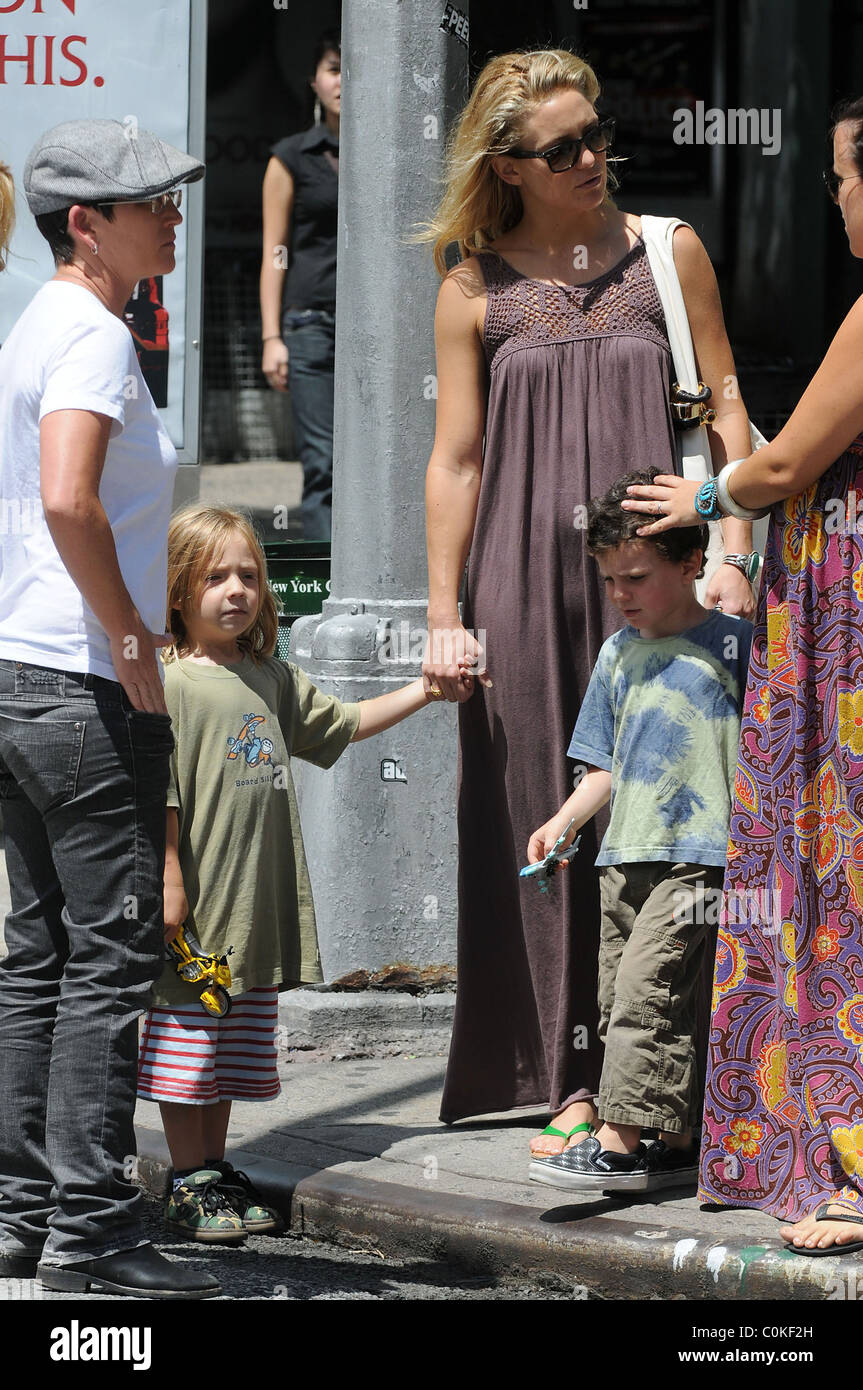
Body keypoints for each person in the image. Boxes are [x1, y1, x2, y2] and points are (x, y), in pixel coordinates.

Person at [419, 48, 757, 1144]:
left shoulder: (667, 251)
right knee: (539, 816)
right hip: (514, 583)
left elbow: (726, 406)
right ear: (507, 165)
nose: (592, 156)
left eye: (597, 132)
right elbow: (456, 460)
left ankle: (662, 1079)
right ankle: (562, 1072)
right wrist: (441, 613)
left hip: (656, 580)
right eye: (562, 147)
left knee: (670, 827)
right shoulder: (471, 285)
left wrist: (732, 548)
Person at [620, 99, 863, 1255]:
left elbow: (779, 461)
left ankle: (842, 1155)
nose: (835, 200)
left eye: (837, 178)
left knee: (832, 862)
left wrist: (703, 499)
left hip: (843, 619)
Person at [0, 120, 218, 1299]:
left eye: (174, 200)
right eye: (152, 204)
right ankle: (94, 1230)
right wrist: (132, 633)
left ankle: (24, 1215)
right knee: (104, 963)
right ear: (85, 225)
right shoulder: (88, 331)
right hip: (79, 684)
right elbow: (71, 499)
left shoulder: (47, 321)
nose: (172, 216)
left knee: (39, 958)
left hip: (20, 678)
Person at [136, 504, 463, 1242]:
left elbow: (339, 725)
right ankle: (187, 1180)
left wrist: (426, 690)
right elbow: (157, 788)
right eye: (214, 576)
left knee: (222, 1051)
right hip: (200, 906)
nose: (235, 590)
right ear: (178, 591)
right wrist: (168, 877)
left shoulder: (269, 674)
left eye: (248, 575)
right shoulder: (170, 680)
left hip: (255, 906)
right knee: (188, 1049)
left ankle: (212, 1171)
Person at [525, 470, 751, 1191]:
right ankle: (675, 1137)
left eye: (636, 577)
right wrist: (561, 823)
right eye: (610, 580)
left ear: (692, 564)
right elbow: (603, 768)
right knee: (624, 995)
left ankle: (617, 1140)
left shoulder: (736, 645)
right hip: (623, 855)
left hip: (702, 857)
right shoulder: (616, 655)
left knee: (649, 992)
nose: (620, 594)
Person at [260, 30, 341, 540]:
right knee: (325, 461)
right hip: (311, 324)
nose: (344, 81)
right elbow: (274, 250)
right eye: (334, 68)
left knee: (389, 456)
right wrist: (272, 337)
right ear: (313, 81)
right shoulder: (290, 156)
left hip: (382, 328)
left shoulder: (397, 157)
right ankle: (327, 586)